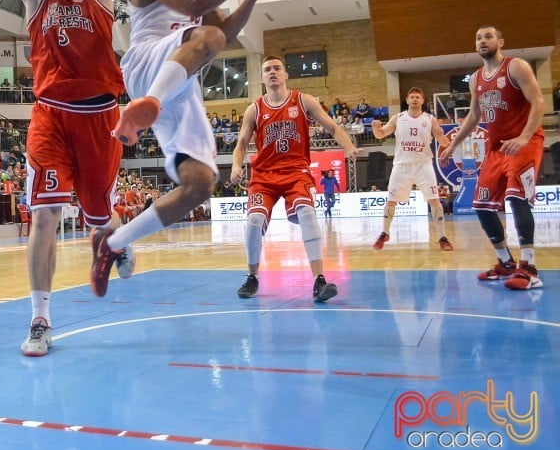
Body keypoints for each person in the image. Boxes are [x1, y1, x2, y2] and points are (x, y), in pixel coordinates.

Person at [0, 0, 148, 357]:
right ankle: (40, 319)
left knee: (101, 215)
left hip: (101, 117)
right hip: (51, 116)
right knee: (45, 214)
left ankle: (114, 242)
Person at [91, 0, 294, 292]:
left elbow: (228, 33)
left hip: (181, 80)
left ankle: (113, 243)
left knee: (200, 184)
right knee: (208, 35)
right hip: (147, 61)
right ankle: (148, 102)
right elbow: (194, 6)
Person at [231, 56, 358, 302]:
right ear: (262, 78)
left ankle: (319, 280)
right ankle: (252, 277)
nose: (273, 72)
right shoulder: (255, 108)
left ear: (286, 74)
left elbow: (332, 127)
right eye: (267, 70)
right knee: (254, 221)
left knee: (308, 213)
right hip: (264, 175)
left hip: (295, 171)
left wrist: (349, 147)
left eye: (277, 68)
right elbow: (241, 143)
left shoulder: (303, 100)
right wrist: (237, 164)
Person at [439, 26, 545, 290]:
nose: (482, 41)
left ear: (500, 42)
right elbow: (474, 116)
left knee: (515, 197)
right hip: (496, 148)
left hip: (524, 142)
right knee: (481, 206)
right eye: (478, 37)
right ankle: (505, 263)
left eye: (488, 36)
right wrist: (453, 145)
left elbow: (539, 101)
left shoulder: (516, 67)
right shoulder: (476, 78)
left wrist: (523, 137)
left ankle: (529, 268)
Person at [370, 87, 453, 252]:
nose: (415, 99)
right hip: (401, 166)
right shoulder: (398, 118)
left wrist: (440, 136)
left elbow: (445, 144)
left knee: (435, 200)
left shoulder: (430, 119)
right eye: (412, 97)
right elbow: (380, 135)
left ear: (422, 101)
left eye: (418, 97)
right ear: (407, 100)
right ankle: (384, 233)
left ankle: (443, 238)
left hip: (423, 165)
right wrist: (375, 128)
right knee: (391, 201)